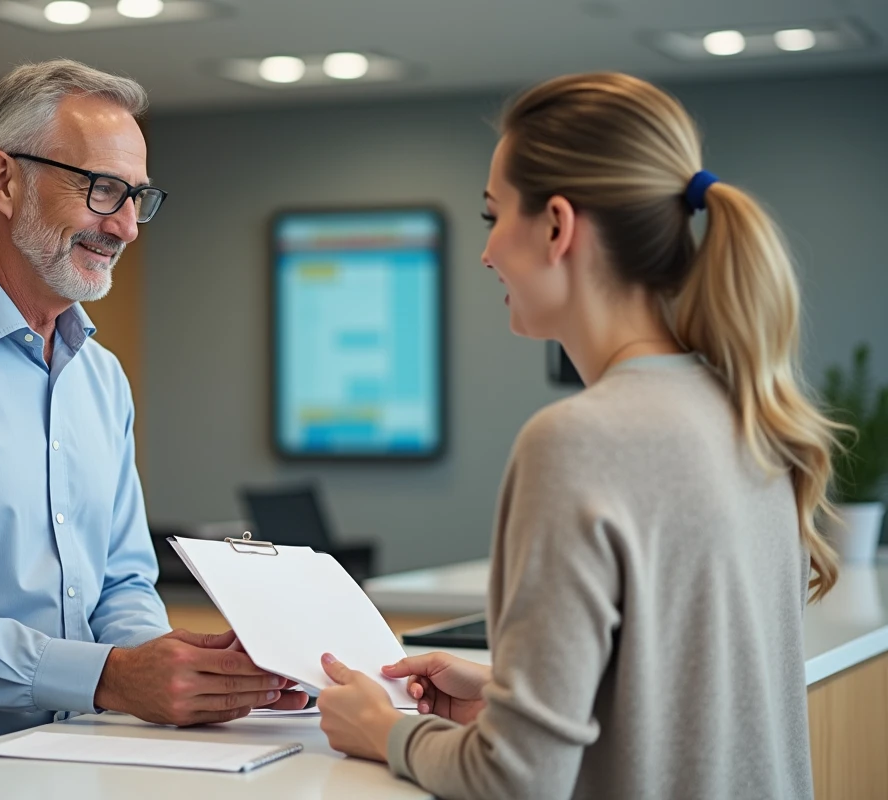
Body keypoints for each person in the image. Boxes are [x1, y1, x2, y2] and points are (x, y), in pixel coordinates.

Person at [314, 72, 840, 800]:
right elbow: (686, 708)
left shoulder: (577, 440)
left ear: (558, 226)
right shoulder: (744, 410)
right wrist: (510, 693)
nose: (487, 252)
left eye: (492, 215)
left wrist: (385, 730)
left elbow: (516, 779)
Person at [0, 59, 305, 759]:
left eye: (139, 197)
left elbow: (121, 585)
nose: (127, 227)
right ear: (4, 180)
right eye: (103, 191)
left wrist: (190, 675)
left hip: (77, 758)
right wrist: (113, 678)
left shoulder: (99, 377)